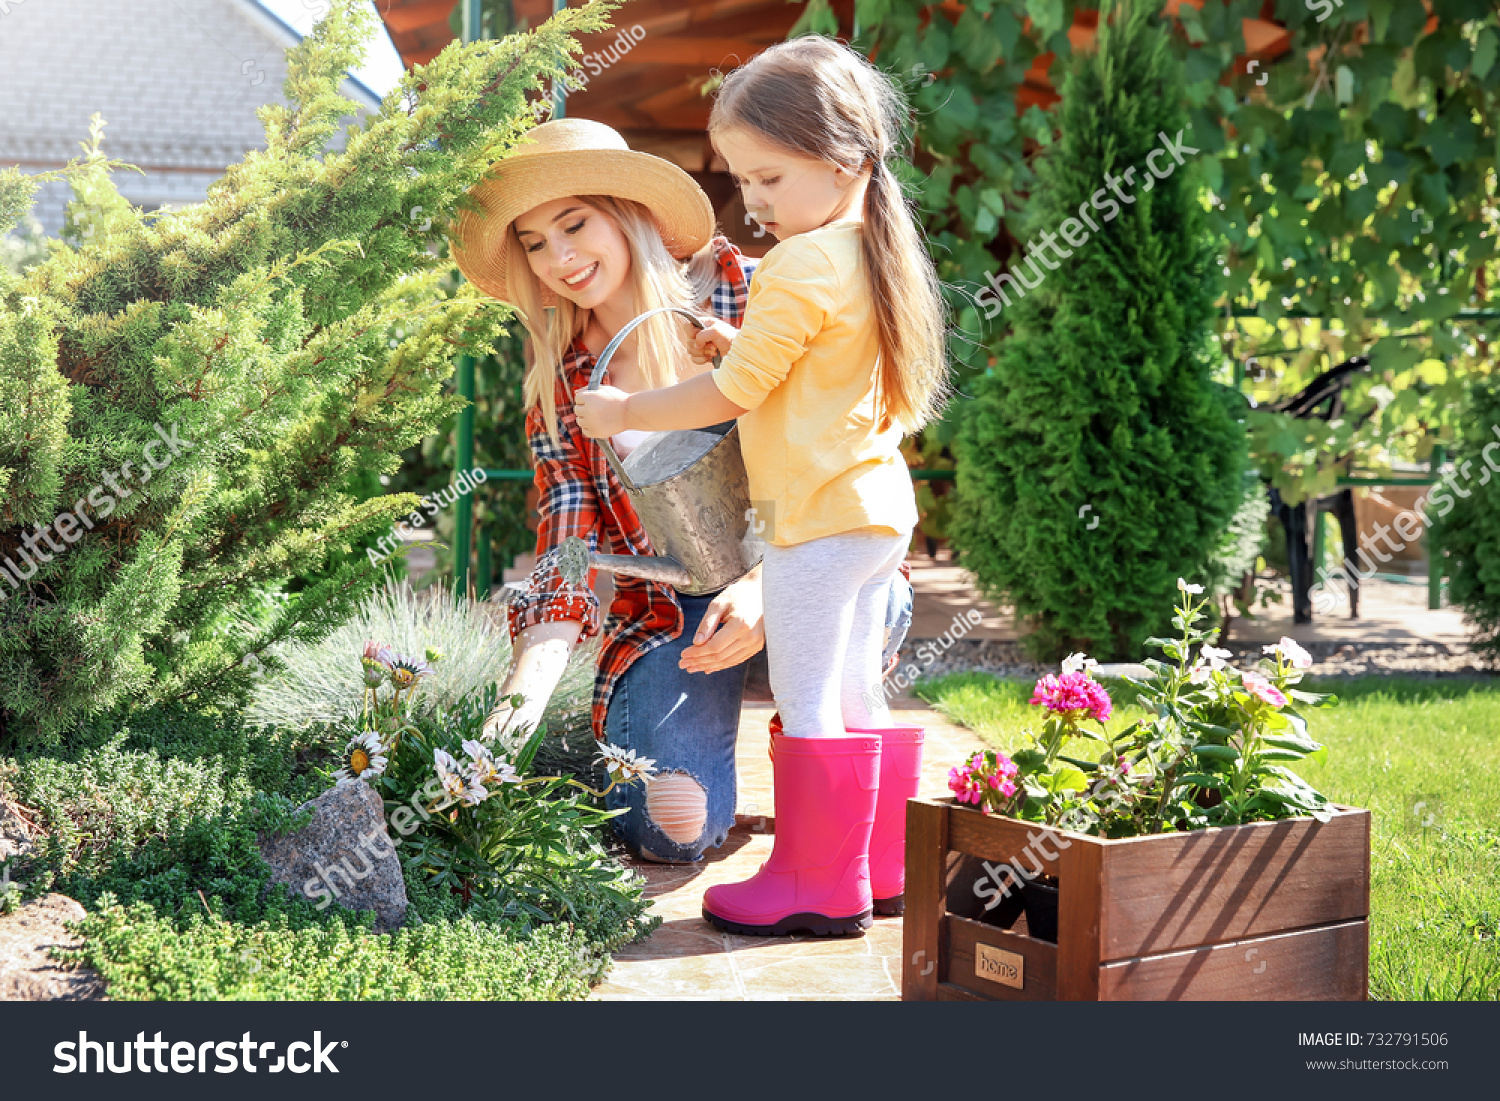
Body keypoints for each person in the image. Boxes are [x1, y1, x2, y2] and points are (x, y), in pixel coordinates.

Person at [449, 117, 913, 866]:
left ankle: (830, 838)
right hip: (677, 611)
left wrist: (767, 588)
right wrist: (519, 702)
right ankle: (762, 747)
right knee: (670, 825)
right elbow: (568, 548)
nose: (560, 258)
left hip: (811, 552)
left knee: (860, 617)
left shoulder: (747, 293)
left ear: (624, 214)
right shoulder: (563, 384)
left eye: (574, 224)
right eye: (535, 243)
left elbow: (853, 440)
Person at [574, 37, 950, 936]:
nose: (757, 201)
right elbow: (793, 372)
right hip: (875, 514)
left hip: (814, 522)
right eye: (746, 181)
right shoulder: (867, 253)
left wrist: (629, 405)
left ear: (846, 157)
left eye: (772, 178)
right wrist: (727, 341)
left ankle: (814, 886)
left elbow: (737, 394)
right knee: (861, 690)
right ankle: (880, 866)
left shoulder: (795, 264)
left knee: (810, 694)